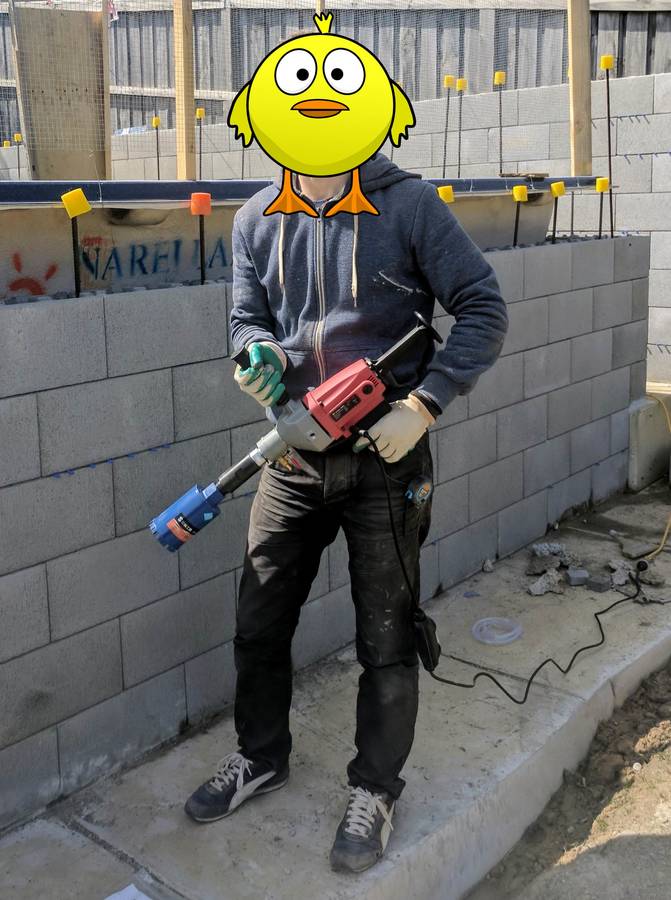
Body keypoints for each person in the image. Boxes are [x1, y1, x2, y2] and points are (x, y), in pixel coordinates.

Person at [184, 151, 509, 873]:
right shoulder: (255, 220)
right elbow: (246, 318)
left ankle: (375, 789)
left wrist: (425, 404)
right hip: (292, 457)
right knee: (258, 622)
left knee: (385, 636)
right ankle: (261, 757)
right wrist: (256, 352)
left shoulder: (411, 206)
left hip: (385, 463)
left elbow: (484, 308)